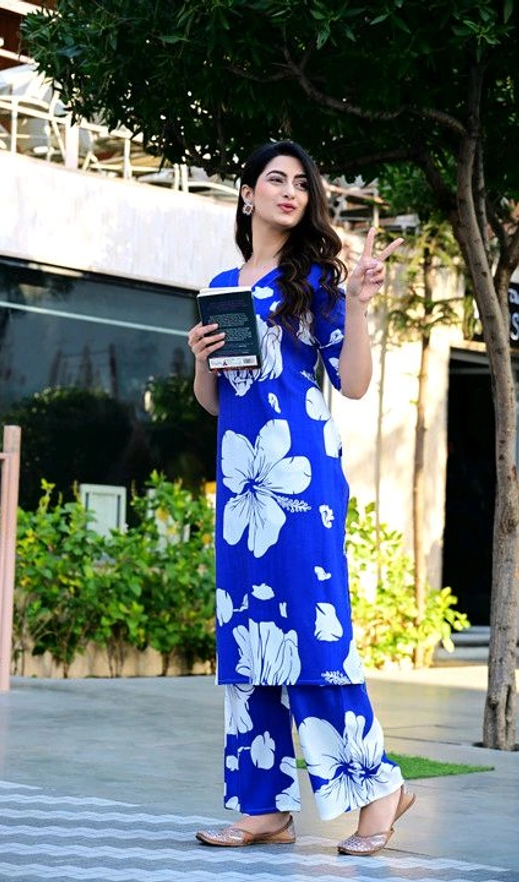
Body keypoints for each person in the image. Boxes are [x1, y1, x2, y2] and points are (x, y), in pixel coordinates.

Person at [187, 141, 414, 857]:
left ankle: (378, 791)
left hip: (299, 478)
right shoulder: (222, 285)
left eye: (301, 184)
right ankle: (264, 808)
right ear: (246, 193)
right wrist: (200, 359)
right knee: (248, 639)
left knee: (313, 635)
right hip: (241, 487)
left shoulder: (315, 278)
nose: (290, 191)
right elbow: (215, 401)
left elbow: (354, 383)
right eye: (275, 179)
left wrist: (359, 304)